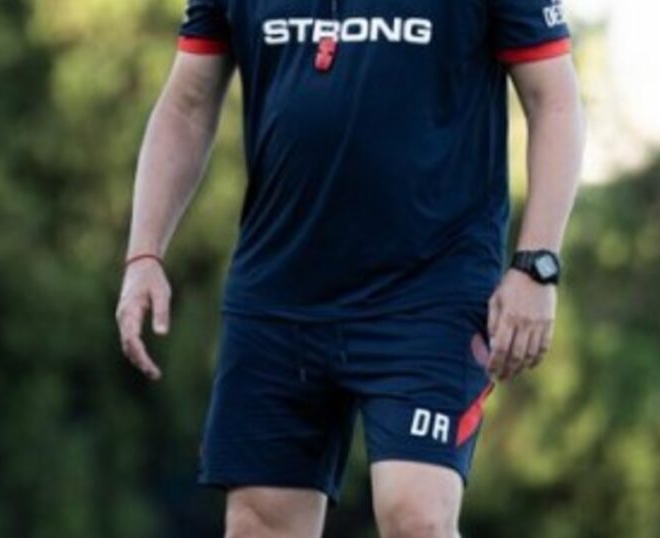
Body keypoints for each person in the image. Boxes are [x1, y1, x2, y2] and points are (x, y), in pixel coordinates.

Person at [116, 0, 584, 534]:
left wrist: (536, 263)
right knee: (258, 524)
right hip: (279, 290)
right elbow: (187, 104)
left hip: (429, 291)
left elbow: (555, 101)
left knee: (417, 518)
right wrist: (144, 253)